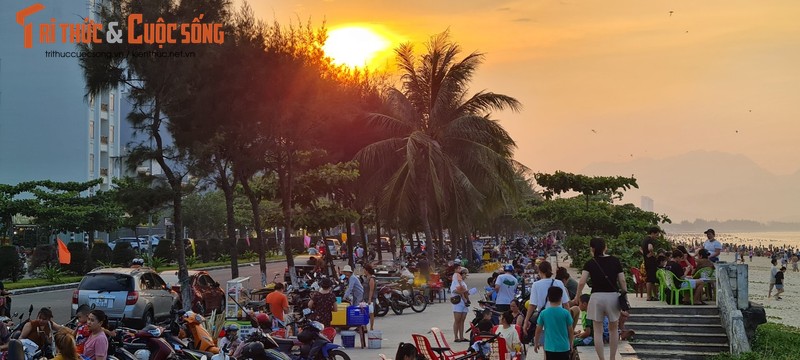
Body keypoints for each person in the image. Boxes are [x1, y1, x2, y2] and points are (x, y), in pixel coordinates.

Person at [574, 237, 626, 360]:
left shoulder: (590, 262)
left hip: (596, 297)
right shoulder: (615, 261)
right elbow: (622, 280)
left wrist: (577, 296)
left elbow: (581, 282)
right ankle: (612, 358)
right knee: (613, 329)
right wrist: (624, 293)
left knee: (598, 331)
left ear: (592, 248)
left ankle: (601, 358)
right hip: (612, 296)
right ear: (605, 247)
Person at [522, 261, 570, 339]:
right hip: (559, 315)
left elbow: (532, 305)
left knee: (547, 342)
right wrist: (569, 319)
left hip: (545, 317)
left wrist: (526, 320)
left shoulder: (536, 285)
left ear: (539, 271)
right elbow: (566, 304)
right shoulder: (559, 283)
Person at [534, 287, 574, 360]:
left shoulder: (544, 313)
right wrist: (571, 343)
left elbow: (538, 330)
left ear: (548, 298)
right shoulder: (566, 313)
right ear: (561, 298)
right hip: (564, 347)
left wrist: (536, 343)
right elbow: (570, 331)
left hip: (549, 347)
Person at [450, 267, 470, 342]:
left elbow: (465, 292)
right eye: (465, 274)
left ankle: (461, 337)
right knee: (457, 320)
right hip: (458, 302)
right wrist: (463, 292)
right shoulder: (455, 282)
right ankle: (456, 337)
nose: (465, 276)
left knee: (462, 320)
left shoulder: (462, 282)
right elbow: (454, 290)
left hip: (464, 302)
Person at [641, 227, 660, 301]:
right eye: (657, 235)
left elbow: (641, 249)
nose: (657, 236)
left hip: (646, 261)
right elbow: (650, 248)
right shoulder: (650, 240)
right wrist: (652, 253)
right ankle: (649, 296)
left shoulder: (645, 239)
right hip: (651, 262)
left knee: (651, 279)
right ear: (652, 233)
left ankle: (651, 296)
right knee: (650, 279)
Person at [363, 264, 378, 331]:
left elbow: (371, 290)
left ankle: (371, 327)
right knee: (364, 313)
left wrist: (369, 299)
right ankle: (365, 327)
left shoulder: (371, 279)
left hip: (371, 298)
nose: (364, 271)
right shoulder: (366, 278)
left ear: (367, 271)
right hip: (365, 297)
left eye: (364, 270)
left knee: (371, 313)